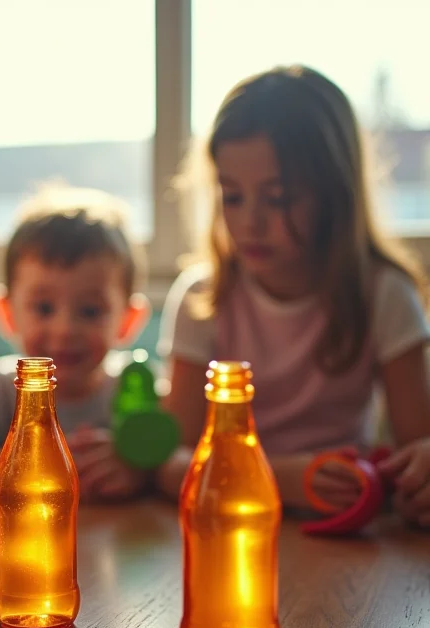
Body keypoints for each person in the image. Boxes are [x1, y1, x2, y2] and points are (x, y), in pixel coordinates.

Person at [157, 65, 430, 528]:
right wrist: (278, 477)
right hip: (227, 530)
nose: (250, 223)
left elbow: (417, 447)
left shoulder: (384, 295)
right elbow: (169, 465)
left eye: (279, 198)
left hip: (346, 533)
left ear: (335, 194)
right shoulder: (203, 300)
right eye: (232, 196)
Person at [0, 183, 152, 499]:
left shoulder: (134, 388)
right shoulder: (4, 388)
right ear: (7, 313)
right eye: (44, 308)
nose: (65, 330)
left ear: (128, 320)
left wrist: (137, 470)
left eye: (89, 311)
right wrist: (34, 477)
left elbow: (165, 458)